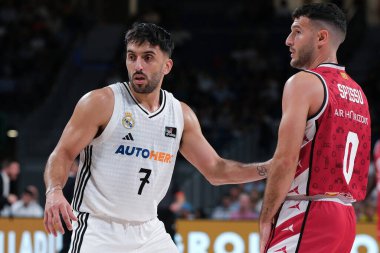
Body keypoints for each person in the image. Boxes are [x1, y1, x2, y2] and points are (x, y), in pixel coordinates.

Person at [43, 22, 270, 253]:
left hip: (149, 231)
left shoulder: (180, 114)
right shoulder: (101, 102)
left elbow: (217, 170)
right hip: (100, 229)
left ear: (167, 66)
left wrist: (270, 168)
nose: (138, 65)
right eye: (132, 57)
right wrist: (54, 192)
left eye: (148, 57)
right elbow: (62, 153)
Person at [258, 3, 371, 253]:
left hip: (308, 211)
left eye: (297, 32)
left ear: (321, 37)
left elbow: (285, 160)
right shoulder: (357, 92)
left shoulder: (304, 83)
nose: (288, 40)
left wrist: (266, 218)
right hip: (345, 216)